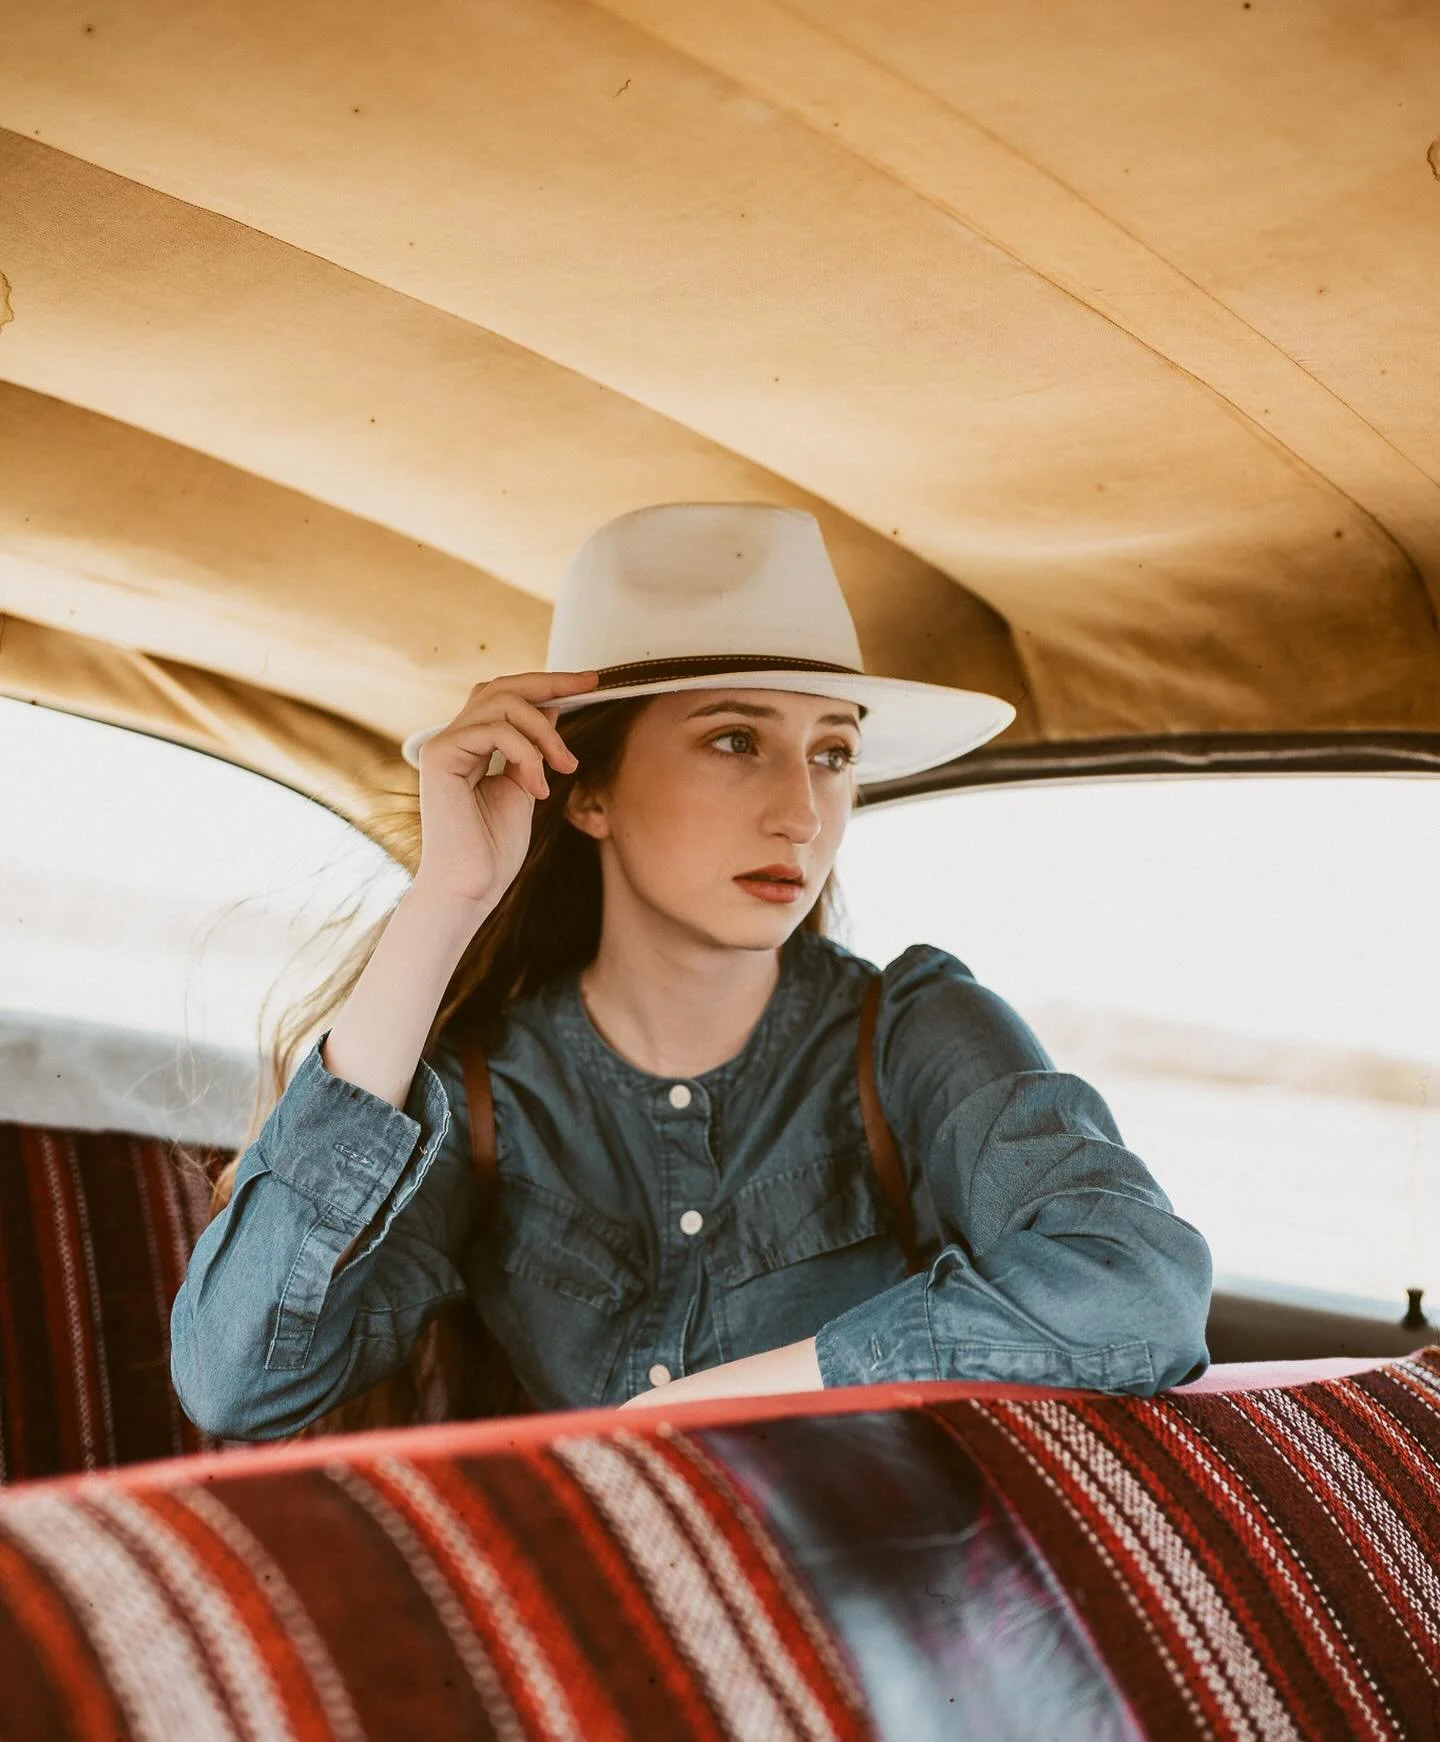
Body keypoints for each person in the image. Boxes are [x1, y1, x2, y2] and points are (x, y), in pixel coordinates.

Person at [170, 502, 1211, 1441]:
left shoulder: (913, 1033)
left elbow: (1136, 1290)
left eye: (832, 753)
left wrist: (726, 1400)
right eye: (733, 740)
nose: (803, 813)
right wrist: (445, 904)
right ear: (588, 796)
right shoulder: (482, 1090)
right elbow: (239, 1377)